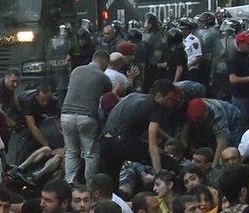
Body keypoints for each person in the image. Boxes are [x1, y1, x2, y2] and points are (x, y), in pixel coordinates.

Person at [100, 79, 184, 183]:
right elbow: (152, 146)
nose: (170, 103)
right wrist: (158, 175)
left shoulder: (133, 96)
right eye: (169, 98)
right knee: (169, 160)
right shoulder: (155, 108)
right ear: (158, 95)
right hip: (123, 142)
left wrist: (168, 137)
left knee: (111, 182)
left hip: (105, 140)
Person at [60, 50, 113, 183]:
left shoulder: (76, 71)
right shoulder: (103, 77)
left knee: (72, 152)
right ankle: (90, 185)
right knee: (91, 154)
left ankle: (69, 183)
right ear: (105, 61)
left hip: (66, 115)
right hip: (87, 117)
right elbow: (108, 99)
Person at [227, 31, 249, 125]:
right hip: (240, 98)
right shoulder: (234, 59)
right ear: (240, 44)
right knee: (241, 124)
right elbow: (233, 79)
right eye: (248, 44)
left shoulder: (247, 57)